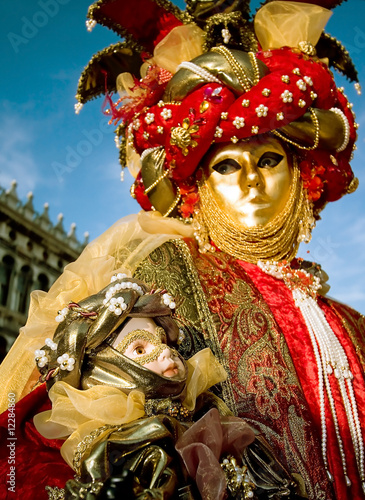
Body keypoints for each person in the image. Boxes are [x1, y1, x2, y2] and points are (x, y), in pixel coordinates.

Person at [0, 0, 364, 499]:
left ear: (303, 176)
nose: (253, 182)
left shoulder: (349, 321)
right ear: (199, 184)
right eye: (228, 165)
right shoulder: (166, 273)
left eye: (270, 158)